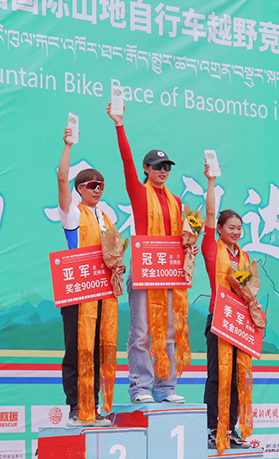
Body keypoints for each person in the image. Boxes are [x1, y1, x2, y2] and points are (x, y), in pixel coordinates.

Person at [107, 103, 196, 404]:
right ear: (146, 169)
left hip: (168, 272)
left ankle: (165, 386)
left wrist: (188, 245)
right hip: (145, 270)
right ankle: (140, 387)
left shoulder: (176, 202)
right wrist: (119, 124)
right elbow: (126, 160)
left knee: (169, 332)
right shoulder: (139, 193)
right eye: (157, 167)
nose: (163, 172)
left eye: (167, 167)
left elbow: (180, 237)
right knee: (142, 332)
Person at [56, 126, 124, 427]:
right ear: (80, 189)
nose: (97, 190)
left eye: (101, 186)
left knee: (97, 350)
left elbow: (111, 253)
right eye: (91, 185)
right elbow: (61, 178)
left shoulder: (107, 217)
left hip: (101, 293)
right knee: (76, 349)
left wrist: (117, 266)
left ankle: (92, 406)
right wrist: (68, 145)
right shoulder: (73, 214)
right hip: (77, 292)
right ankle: (75, 407)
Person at [201, 160, 252, 451]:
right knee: (217, 376)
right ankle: (212, 429)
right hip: (218, 319)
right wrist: (211, 181)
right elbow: (209, 213)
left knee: (235, 379)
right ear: (219, 229)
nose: (236, 232)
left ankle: (230, 429)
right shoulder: (212, 249)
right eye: (231, 227)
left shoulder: (244, 257)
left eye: (239, 228)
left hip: (238, 323)